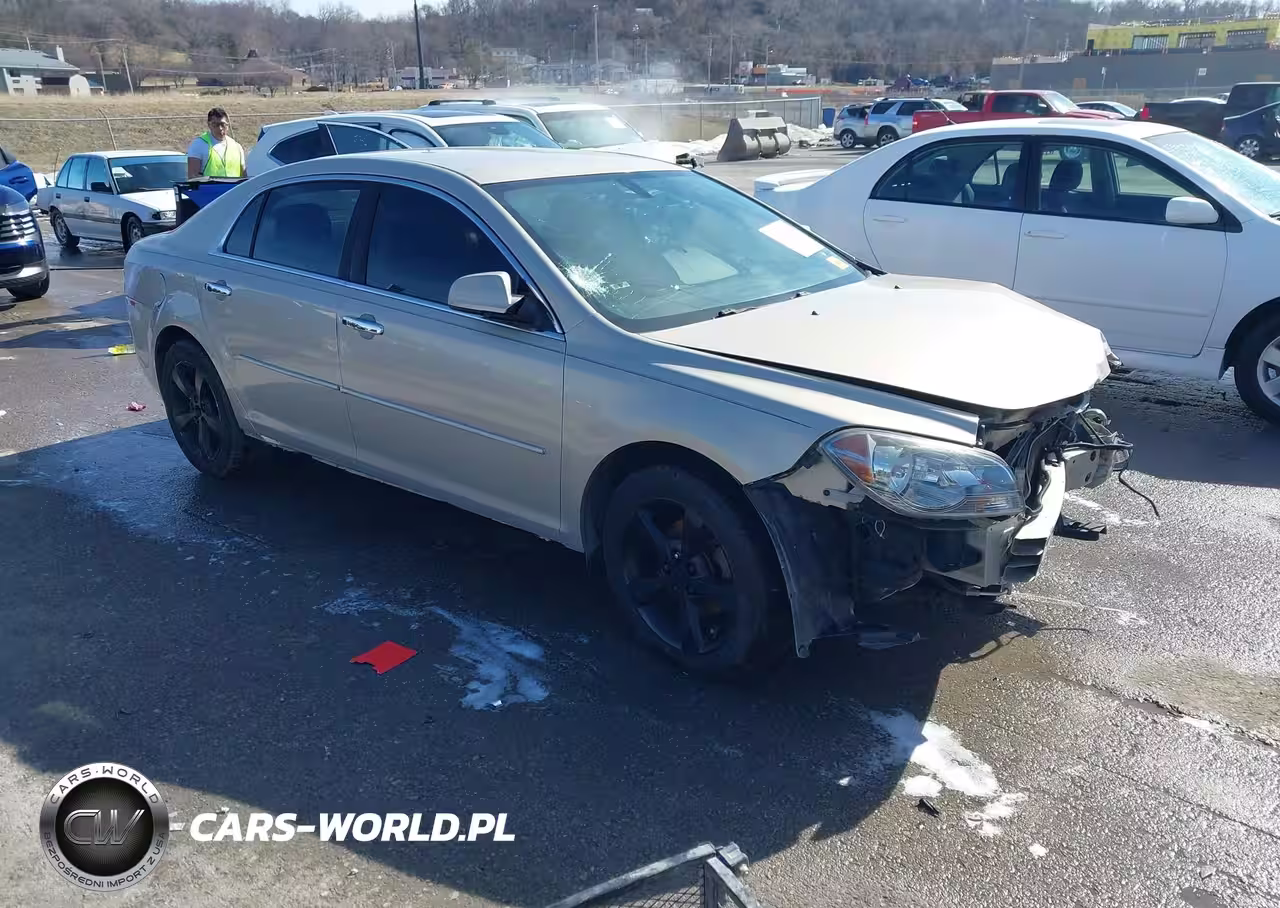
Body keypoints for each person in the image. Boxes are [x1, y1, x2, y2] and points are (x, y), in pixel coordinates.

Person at [187, 108, 247, 179]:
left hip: (235, 186)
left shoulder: (237, 147)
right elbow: (193, 176)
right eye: (215, 125)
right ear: (209, 125)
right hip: (209, 186)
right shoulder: (199, 145)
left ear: (228, 125)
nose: (220, 128)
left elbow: (244, 176)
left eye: (223, 124)